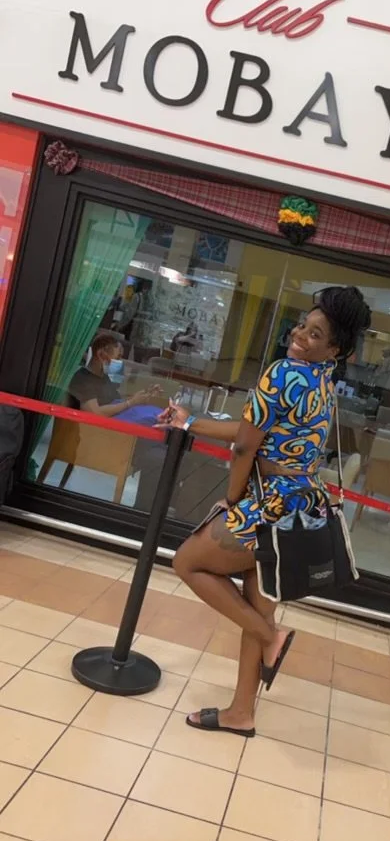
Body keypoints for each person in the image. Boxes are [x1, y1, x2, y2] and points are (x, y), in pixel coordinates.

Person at [161, 286, 371, 737]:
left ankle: (269, 638)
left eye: (316, 334)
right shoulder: (323, 379)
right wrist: (190, 422)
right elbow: (252, 426)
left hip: (266, 503)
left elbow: (243, 446)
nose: (301, 336)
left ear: (334, 348)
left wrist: (233, 500)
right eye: (302, 326)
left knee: (188, 562)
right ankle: (242, 712)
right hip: (301, 507)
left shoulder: (282, 372)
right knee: (258, 604)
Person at [67, 332, 165, 509]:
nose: (120, 362)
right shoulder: (83, 379)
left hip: (115, 434)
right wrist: (130, 403)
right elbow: (95, 414)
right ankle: (146, 506)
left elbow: (115, 403)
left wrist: (141, 397)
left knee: (160, 450)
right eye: (118, 357)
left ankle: (147, 504)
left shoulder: (102, 378)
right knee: (158, 456)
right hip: (103, 440)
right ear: (101, 354)